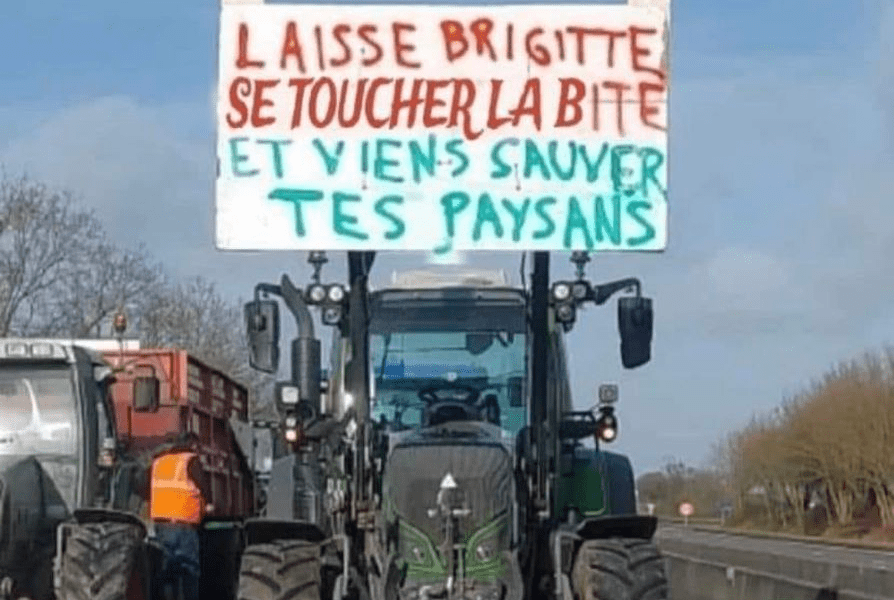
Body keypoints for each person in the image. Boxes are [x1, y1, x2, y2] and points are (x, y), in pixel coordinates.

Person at [150, 433, 213, 600]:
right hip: (184, 525)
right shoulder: (191, 461)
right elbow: (202, 487)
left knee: (165, 569)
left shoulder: (159, 461)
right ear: (191, 444)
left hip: (162, 525)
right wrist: (207, 504)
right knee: (188, 570)